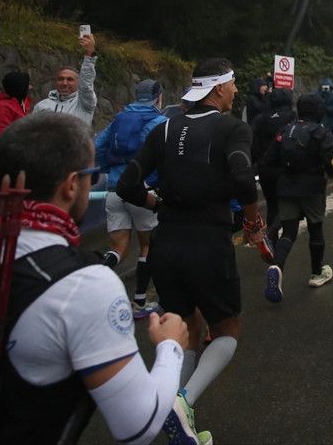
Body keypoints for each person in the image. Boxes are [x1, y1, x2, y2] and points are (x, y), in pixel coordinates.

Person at [0, 113, 188, 445]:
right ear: (71, 185)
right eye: (90, 177)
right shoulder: (83, 284)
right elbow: (138, 426)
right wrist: (171, 347)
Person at [117, 58, 268, 445]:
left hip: (166, 243)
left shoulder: (165, 127)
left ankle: (174, 420)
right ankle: (182, 402)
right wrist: (252, 225)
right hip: (208, 242)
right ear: (218, 88)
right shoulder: (233, 128)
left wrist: (156, 205)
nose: (235, 91)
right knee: (227, 331)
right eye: (233, 84)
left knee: (185, 330)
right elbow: (245, 184)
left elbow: (127, 183)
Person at [94, 79, 168, 318]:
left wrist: (109, 168)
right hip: (142, 191)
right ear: (158, 97)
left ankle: (91, 288)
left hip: (114, 189)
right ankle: (139, 303)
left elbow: (98, 145)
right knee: (148, 246)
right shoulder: (160, 122)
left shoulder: (119, 118)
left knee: (118, 249)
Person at [260, 92, 333, 302]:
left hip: (286, 187)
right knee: (315, 229)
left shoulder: (286, 129)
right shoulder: (320, 132)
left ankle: (277, 266)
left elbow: (268, 160)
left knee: (289, 232)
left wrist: (282, 176)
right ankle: (317, 272)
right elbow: (331, 164)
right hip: (312, 188)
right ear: (318, 110)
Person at [251, 88, 295, 245]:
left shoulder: (259, 119)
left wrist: (257, 163)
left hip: (265, 169)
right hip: (285, 168)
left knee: (272, 204)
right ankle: (276, 236)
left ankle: (272, 242)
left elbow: (254, 145)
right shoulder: (291, 117)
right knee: (287, 204)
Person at [33, 32, 98, 126]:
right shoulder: (42, 105)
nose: (64, 83)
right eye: (60, 79)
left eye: (70, 79)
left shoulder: (84, 104)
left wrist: (89, 53)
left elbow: (86, 84)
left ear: (78, 82)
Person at [0, 70, 32, 151]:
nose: (31, 87)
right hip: (10, 158)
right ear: (19, 87)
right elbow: (3, 139)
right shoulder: (1, 108)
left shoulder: (20, 104)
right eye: (27, 85)